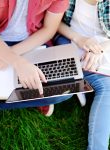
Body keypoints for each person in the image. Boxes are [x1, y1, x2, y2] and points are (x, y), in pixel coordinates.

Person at [0, 0, 70, 129]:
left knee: (65, 91)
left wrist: (12, 56)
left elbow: (49, 30)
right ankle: (32, 98)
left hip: (34, 42)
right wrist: (17, 61)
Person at [54, 0, 110, 149]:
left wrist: (101, 48)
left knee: (108, 90)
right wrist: (78, 38)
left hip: (102, 45)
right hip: (70, 40)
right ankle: (79, 78)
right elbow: (53, 22)